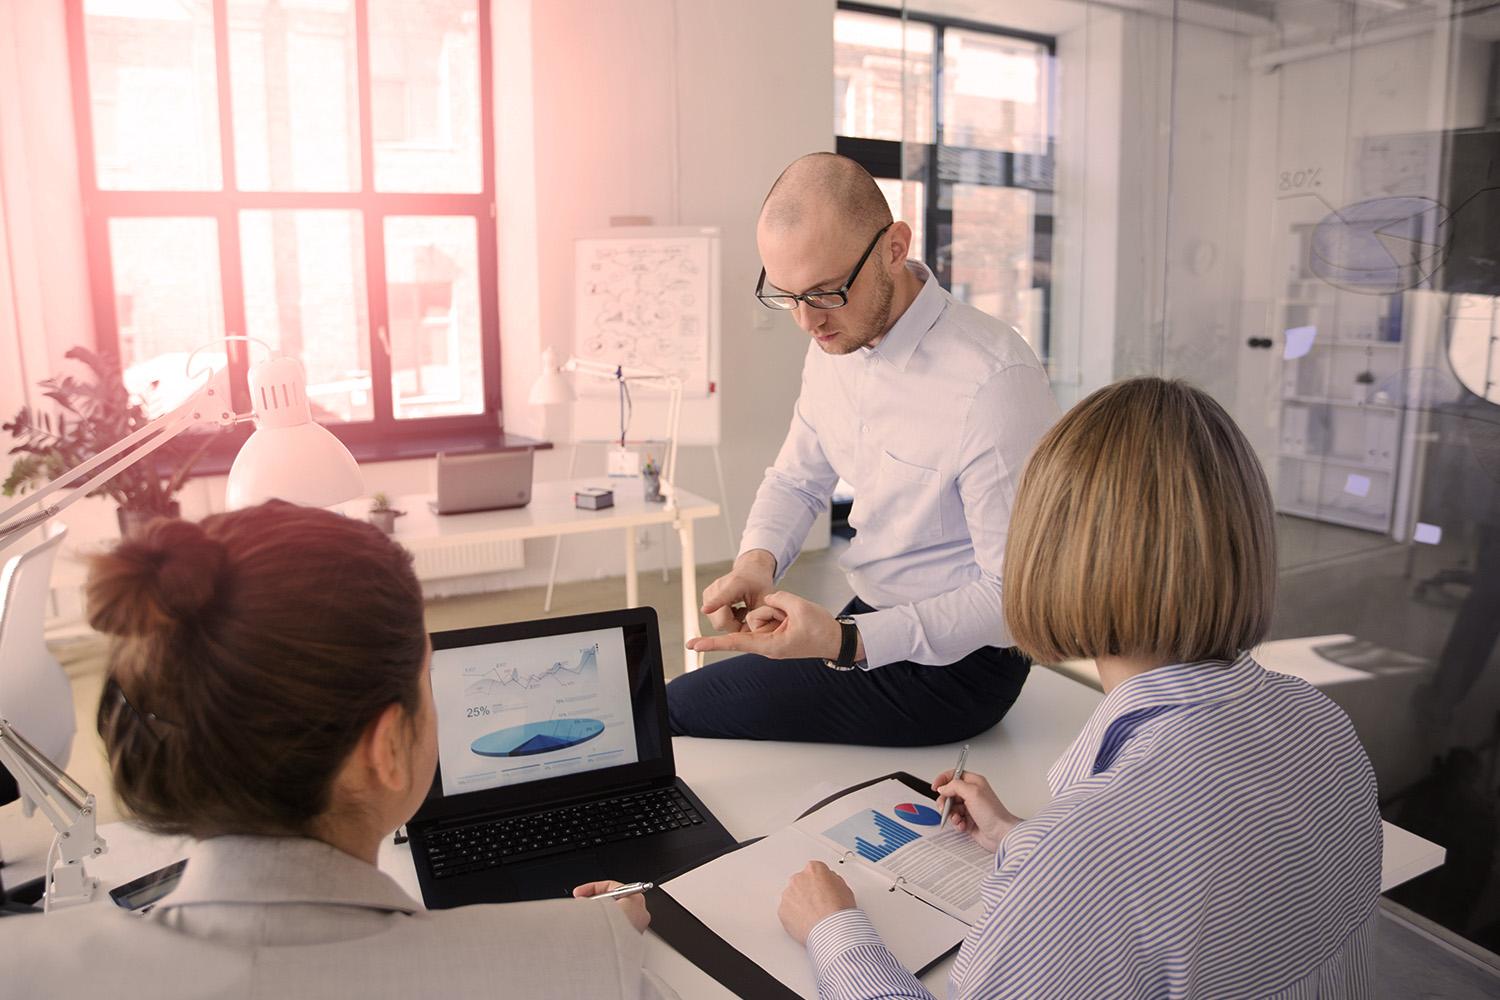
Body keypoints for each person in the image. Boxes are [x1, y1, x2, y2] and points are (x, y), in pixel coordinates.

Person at [775, 378, 1382, 998]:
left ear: (1053, 556)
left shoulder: (1086, 852)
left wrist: (835, 932)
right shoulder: (1322, 724)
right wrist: (1019, 837)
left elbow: (1121, 866)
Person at [2, 503, 674, 1000]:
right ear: (387, 746)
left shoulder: (24, 971)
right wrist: (602, 937)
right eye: (429, 683)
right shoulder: (581, 964)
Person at [668, 152, 1059, 745]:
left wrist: (846, 642)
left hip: (962, 667)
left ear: (894, 247)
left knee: (677, 708)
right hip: (873, 614)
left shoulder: (994, 382)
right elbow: (798, 479)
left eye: (825, 293)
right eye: (788, 296)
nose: (806, 322)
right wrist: (756, 563)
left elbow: (1017, 600)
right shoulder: (836, 337)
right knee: (711, 701)